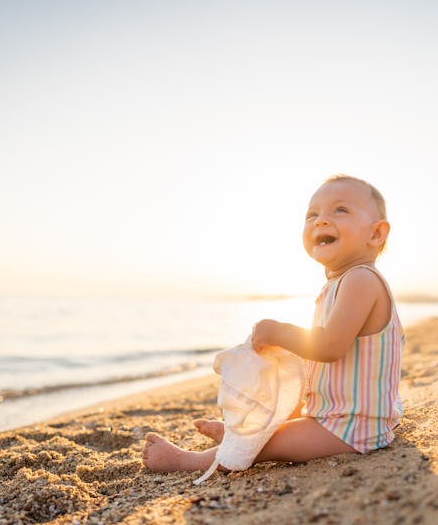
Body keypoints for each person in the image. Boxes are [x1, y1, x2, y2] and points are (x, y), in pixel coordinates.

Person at [142, 175, 404, 473]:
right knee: (278, 419)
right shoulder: (340, 284)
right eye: (312, 214)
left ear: (376, 234)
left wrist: (279, 332)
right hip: (337, 417)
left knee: (261, 446)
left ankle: (188, 461)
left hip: (352, 427)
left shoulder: (361, 280)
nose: (321, 221)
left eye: (340, 210)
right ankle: (239, 433)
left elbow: (330, 346)